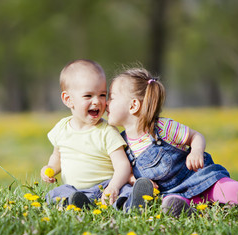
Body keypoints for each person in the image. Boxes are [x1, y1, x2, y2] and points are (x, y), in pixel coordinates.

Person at [106, 67, 238, 217]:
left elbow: (196, 136)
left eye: (112, 98)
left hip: (201, 180)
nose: (106, 103)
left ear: (133, 105)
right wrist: (136, 181)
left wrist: (196, 152)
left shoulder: (162, 128)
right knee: (170, 204)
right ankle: (191, 211)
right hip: (173, 191)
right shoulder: (122, 142)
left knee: (231, 190)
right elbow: (128, 170)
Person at [40, 60, 153, 211]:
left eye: (102, 95)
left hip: (105, 187)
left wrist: (113, 186)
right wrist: (50, 169)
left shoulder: (106, 131)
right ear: (68, 99)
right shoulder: (61, 128)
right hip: (76, 190)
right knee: (56, 193)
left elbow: (122, 166)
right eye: (88, 96)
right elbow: (57, 156)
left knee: (124, 190)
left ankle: (132, 203)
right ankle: (76, 203)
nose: (97, 102)